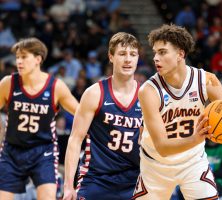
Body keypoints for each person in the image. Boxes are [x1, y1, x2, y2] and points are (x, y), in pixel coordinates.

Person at [133, 24, 222, 200]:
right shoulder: (148, 91)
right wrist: (195, 138)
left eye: (163, 52)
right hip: (156, 165)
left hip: (193, 162)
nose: (156, 58)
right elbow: (163, 147)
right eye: (155, 52)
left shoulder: (208, 81)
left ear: (180, 54)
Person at [63, 32, 142, 200]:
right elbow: (75, 139)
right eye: (122, 54)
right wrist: (68, 186)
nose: (128, 59)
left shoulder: (147, 95)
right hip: (96, 180)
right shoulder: (94, 93)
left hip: (134, 180)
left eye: (132, 54)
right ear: (111, 57)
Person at [0, 37, 78, 200]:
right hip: (12, 150)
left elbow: (81, 112)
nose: (19, 61)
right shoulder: (9, 83)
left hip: (43, 151)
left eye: (24, 57)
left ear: (38, 59)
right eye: (18, 57)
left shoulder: (55, 86)